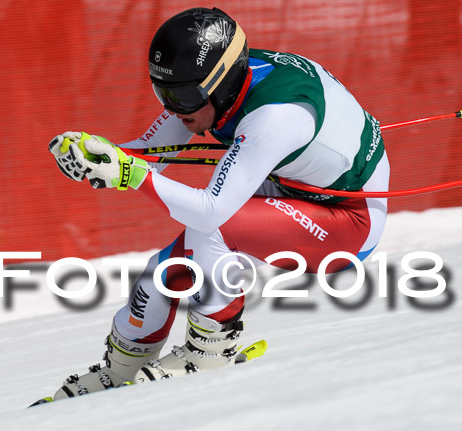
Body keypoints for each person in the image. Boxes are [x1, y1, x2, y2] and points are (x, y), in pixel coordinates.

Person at [47, 7, 389, 399]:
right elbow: (152, 151)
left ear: (221, 83)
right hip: (298, 188)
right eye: (163, 93)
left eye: (182, 97)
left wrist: (131, 175)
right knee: (162, 273)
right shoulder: (214, 84)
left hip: (348, 220)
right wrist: (101, 155)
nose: (173, 109)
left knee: (214, 230)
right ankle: (120, 369)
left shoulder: (275, 117)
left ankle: (211, 351)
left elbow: (210, 210)